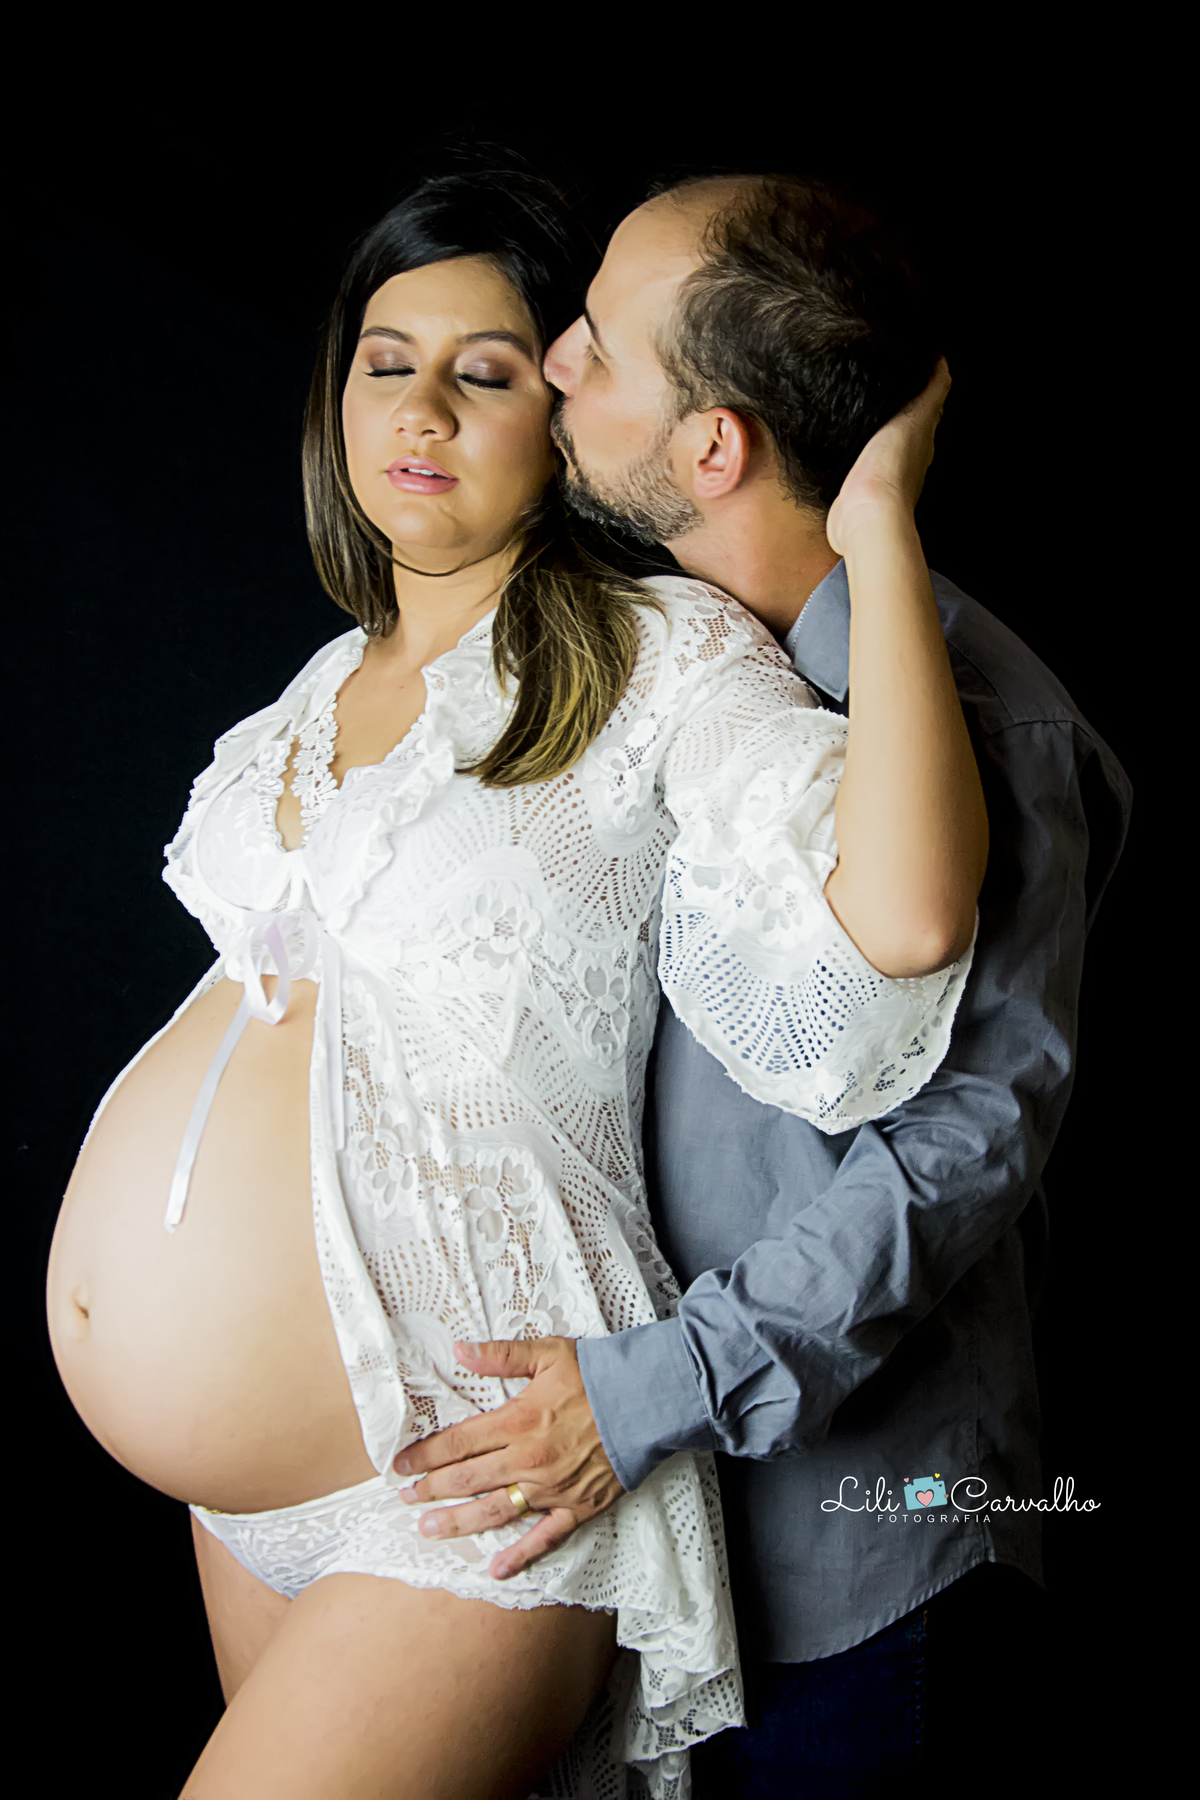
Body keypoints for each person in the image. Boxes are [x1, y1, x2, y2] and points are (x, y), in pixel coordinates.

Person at [45, 166, 986, 1799]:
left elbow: (904, 917)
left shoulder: (660, 653)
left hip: (467, 1479)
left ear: (559, 410)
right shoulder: (320, 684)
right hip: (242, 1502)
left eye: (484, 370)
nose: (419, 407)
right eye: (382, 358)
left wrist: (876, 517)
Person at [396, 174, 1132, 1793]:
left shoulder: (976, 721)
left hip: (874, 1558)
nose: (556, 362)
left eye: (595, 343)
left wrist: (656, 1388)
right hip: (652, 1561)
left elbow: (967, 1148)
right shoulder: (654, 654)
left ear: (714, 447)